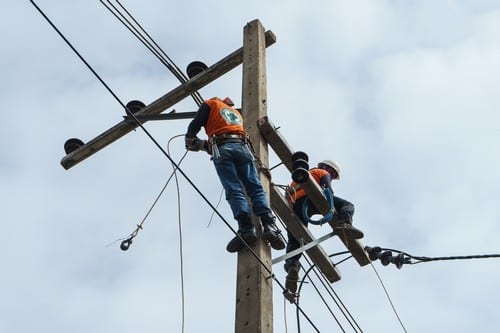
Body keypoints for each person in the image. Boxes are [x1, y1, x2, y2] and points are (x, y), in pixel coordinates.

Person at [185, 96, 285, 252]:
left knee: (234, 189)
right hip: (242, 148)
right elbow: (225, 135)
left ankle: (246, 228)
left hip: (223, 149)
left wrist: (189, 138)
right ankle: (269, 225)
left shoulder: (211, 104)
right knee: (255, 187)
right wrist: (203, 146)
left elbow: (197, 123)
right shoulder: (235, 115)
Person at [284, 160, 363, 294]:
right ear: (329, 170)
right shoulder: (321, 172)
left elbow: (288, 195)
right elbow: (327, 189)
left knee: (295, 240)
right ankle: (345, 224)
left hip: (295, 205)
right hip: (311, 198)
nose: (331, 175)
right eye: (332, 174)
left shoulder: (298, 177)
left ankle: (292, 266)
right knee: (347, 205)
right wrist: (331, 206)